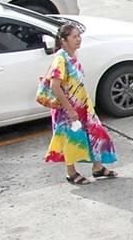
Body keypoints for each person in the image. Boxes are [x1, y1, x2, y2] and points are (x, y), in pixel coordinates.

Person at [44, 23, 118, 184]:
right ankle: (71, 173)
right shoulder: (60, 59)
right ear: (64, 40)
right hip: (68, 111)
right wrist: (70, 110)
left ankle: (97, 167)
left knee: (96, 134)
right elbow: (55, 86)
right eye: (74, 37)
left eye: (79, 36)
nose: (78, 40)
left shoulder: (72, 56)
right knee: (71, 140)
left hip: (83, 107)